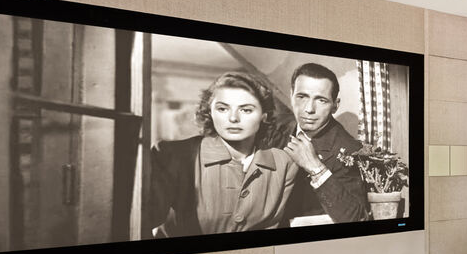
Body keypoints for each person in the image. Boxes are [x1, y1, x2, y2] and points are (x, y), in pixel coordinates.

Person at [146, 71, 299, 237]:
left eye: (246, 110)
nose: (233, 118)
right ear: (210, 112)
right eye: (222, 109)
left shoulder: (284, 163)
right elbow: (142, 221)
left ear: (264, 116)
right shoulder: (174, 155)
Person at [282, 62, 370, 223]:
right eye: (301, 97)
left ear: (335, 105)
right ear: (291, 95)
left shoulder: (350, 150)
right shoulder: (277, 132)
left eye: (321, 100)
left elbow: (356, 218)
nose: (309, 109)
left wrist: (316, 168)